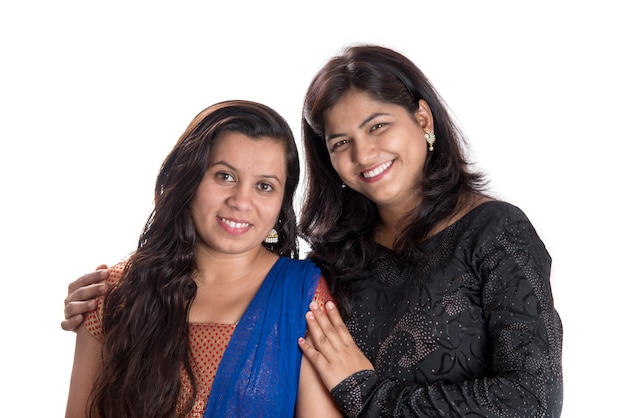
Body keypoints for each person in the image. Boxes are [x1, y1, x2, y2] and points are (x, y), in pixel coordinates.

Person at [63, 45, 563, 417]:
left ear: (423, 117)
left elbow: (534, 400)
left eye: (378, 126)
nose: (364, 155)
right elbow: (240, 283)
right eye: (340, 140)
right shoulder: (336, 257)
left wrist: (368, 394)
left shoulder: (495, 234)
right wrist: (115, 291)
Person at [64, 100, 341, 418]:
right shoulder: (113, 293)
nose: (241, 201)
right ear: (190, 179)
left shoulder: (304, 297)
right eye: (224, 176)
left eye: (264, 186)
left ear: (281, 204)